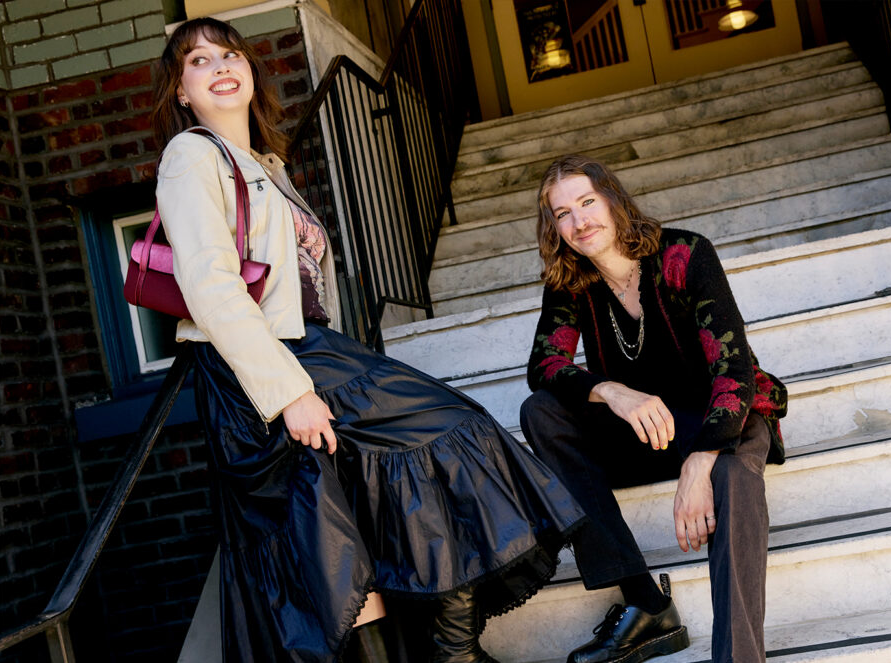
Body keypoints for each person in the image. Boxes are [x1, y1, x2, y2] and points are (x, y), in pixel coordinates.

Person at [149, 18, 585, 663]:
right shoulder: (190, 155)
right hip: (266, 370)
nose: (220, 65)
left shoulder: (266, 164)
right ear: (181, 90)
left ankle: (447, 650)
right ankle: (451, 654)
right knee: (444, 435)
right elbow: (212, 288)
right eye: (197, 60)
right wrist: (289, 393)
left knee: (381, 499)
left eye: (231, 52)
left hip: (313, 350)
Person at [520, 155, 788, 663]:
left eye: (586, 202)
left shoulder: (685, 255)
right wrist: (614, 392)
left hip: (719, 417)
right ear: (553, 228)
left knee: (732, 472)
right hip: (645, 430)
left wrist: (700, 460)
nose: (579, 222)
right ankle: (645, 604)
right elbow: (545, 364)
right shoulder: (571, 281)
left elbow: (734, 373)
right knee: (541, 412)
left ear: (613, 200)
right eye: (561, 214)